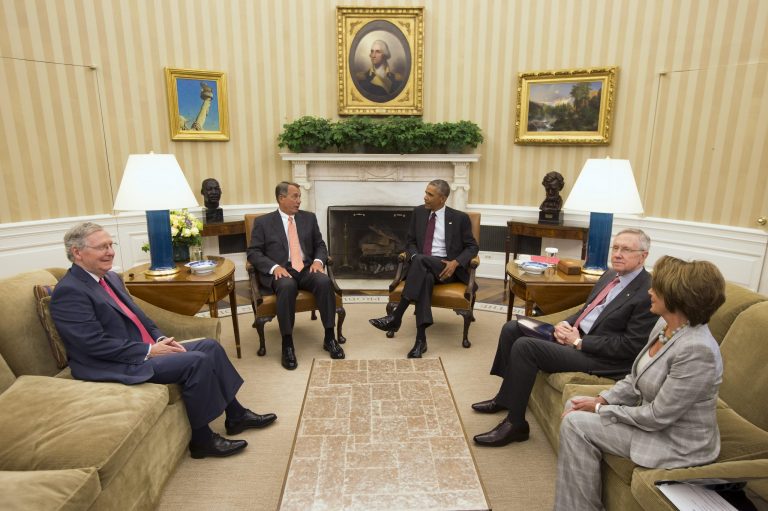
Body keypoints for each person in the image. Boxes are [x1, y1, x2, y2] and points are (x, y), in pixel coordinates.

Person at [50, 222, 276, 459]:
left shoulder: (110, 278)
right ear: (77, 252)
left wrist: (159, 338)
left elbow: (140, 317)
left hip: (140, 347)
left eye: (110, 245)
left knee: (210, 346)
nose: (110, 252)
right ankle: (202, 441)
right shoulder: (70, 291)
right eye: (102, 247)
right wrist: (149, 350)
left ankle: (236, 415)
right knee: (196, 361)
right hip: (111, 362)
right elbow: (92, 343)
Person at [554, 256, 726, 510]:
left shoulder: (697, 350)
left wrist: (601, 409)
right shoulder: (664, 325)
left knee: (576, 423)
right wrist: (602, 399)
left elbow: (658, 417)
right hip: (651, 421)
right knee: (576, 404)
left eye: (657, 288)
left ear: (677, 297)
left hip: (675, 441)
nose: (649, 292)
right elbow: (636, 377)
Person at [472, 228, 658, 446]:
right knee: (512, 328)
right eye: (615, 248)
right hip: (576, 336)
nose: (617, 254)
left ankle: (516, 424)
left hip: (602, 358)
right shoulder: (610, 275)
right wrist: (566, 324)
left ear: (643, 256)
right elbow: (586, 309)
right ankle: (506, 397)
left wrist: (579, 342)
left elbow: (630, 346)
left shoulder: (647, 292)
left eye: (625, 249)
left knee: (525, 347)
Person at [369, 179, 479, 358]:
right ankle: (420, 340)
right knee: (425, 277)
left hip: (446, 269)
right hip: (422, 267)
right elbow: (410, 242)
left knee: (420, 263)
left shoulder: (459, 218)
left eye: (430, 194)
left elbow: (472, 247)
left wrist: (456, 262)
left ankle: (396, 316)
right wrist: (414, 257)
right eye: (426, 193)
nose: (425, 197)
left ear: (442, 199)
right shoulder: (419, 213)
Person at [246, 181, 344, 370]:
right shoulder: (263, 223)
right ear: (281, 198)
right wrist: (274, 267)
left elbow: (320, 245)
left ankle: (330, 337)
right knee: (286, 286)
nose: (299, 200)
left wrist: (318, 261)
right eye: (295, 196)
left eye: (300, 196)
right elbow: (253, 252)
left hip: (307, 268)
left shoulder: (309, 218)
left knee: (324, 282)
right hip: (282, 270)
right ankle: (287, 344)